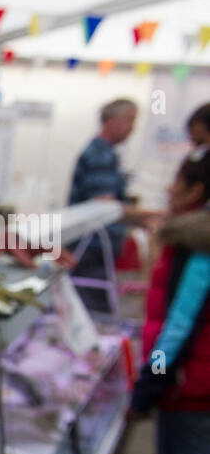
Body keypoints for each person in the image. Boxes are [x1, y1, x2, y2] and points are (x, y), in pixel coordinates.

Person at [122, 145, 210, 454]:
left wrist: (146, 389)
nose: (169, 193)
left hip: (192, 391)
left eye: (176, 184)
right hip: (196, 386)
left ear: (195, 191)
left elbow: (177, 328)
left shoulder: (196, 243)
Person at [67, 99, 161, 310]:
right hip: (91, 247)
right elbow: (105, 206)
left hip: (95, 246)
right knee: (90, 306)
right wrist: (150, 217)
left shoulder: (105, 153)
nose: (132, 128)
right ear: (110, 120)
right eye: (129, 120)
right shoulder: (100, 155)